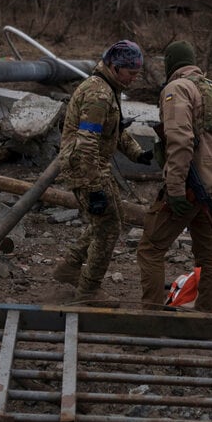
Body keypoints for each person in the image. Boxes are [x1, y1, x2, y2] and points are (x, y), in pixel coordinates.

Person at [53, 40, 154, 304]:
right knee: (107, 228)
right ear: (114, 66)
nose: (134, 78)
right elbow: (87, 142)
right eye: (130, 73)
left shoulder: (110, 88)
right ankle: (88, 290)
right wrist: (94, 187)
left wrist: (138, 154)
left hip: (94, 167)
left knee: (112, 220)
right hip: (85, 168)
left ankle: (71, 266)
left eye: (136, 73)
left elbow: (115, 130)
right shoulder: (98, 95)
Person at [137, 41, 212, 312]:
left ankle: (150, 320)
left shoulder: (177, 88)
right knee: (209, 256)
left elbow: (180, 140)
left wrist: (175, 187)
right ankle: (204, 319)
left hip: (190, 184)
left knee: (150, 249)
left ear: (170, 64)